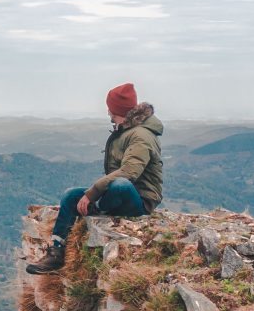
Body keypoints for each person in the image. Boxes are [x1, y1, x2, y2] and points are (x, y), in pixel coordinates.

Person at [26, 82, 164, 274]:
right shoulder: (126, 130)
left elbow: (129, 173)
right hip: (120, 192)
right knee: (71, 196)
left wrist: (92, 194)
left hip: (140, 200)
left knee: (120, 185)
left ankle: (96, 209)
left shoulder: (141, 135)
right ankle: (56, 253)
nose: (108, 112)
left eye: (110, 108)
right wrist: (90, 194)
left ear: (118, 109)